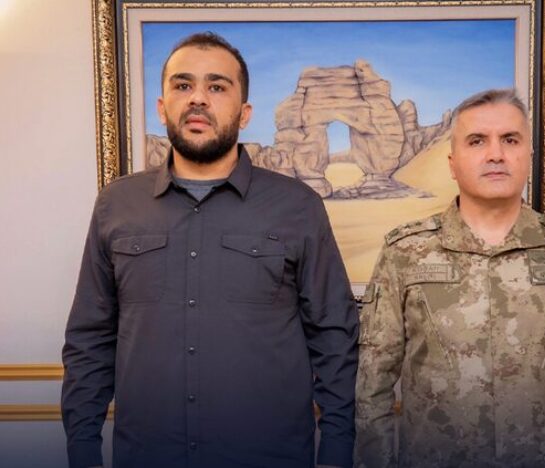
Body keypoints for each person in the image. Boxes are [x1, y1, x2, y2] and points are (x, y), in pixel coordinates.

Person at [61, 32, 358, 468]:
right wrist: (82, 449)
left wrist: (335, 448)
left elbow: (334, 334)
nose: (198, 98)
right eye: (183, 85)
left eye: (217, 87)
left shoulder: (298, 206)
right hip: (148, 455)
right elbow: (90, 338)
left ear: (245, 113)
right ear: (162, 107)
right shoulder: (116, 205)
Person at [355, 89, 545, 467]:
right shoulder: (405, 253)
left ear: (528, 155)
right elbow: (372, 387)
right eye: (477, 141)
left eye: (510, 140)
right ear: (453, 163)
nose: (496, 154)